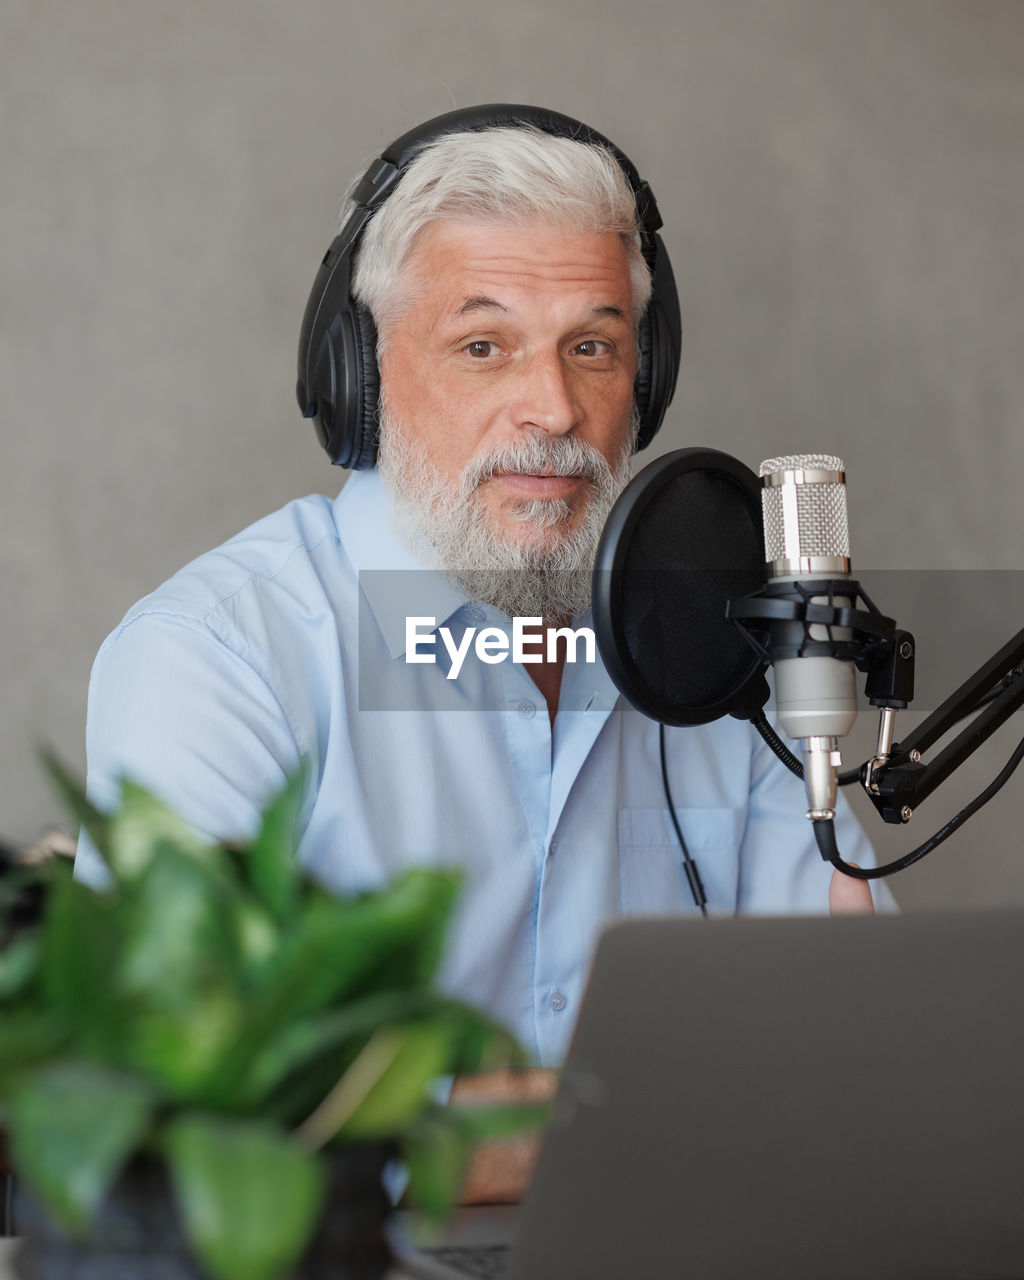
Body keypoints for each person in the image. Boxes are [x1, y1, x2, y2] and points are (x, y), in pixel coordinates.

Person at [80, 110, 886, 1185]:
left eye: (591, 347)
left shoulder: (716, 639)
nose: (550, 407)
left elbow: (856, 1051)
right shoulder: (222, 657)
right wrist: (468, 1146)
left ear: (643, 380)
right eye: (483, 345)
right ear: (359, 378)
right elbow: (167, 1126)